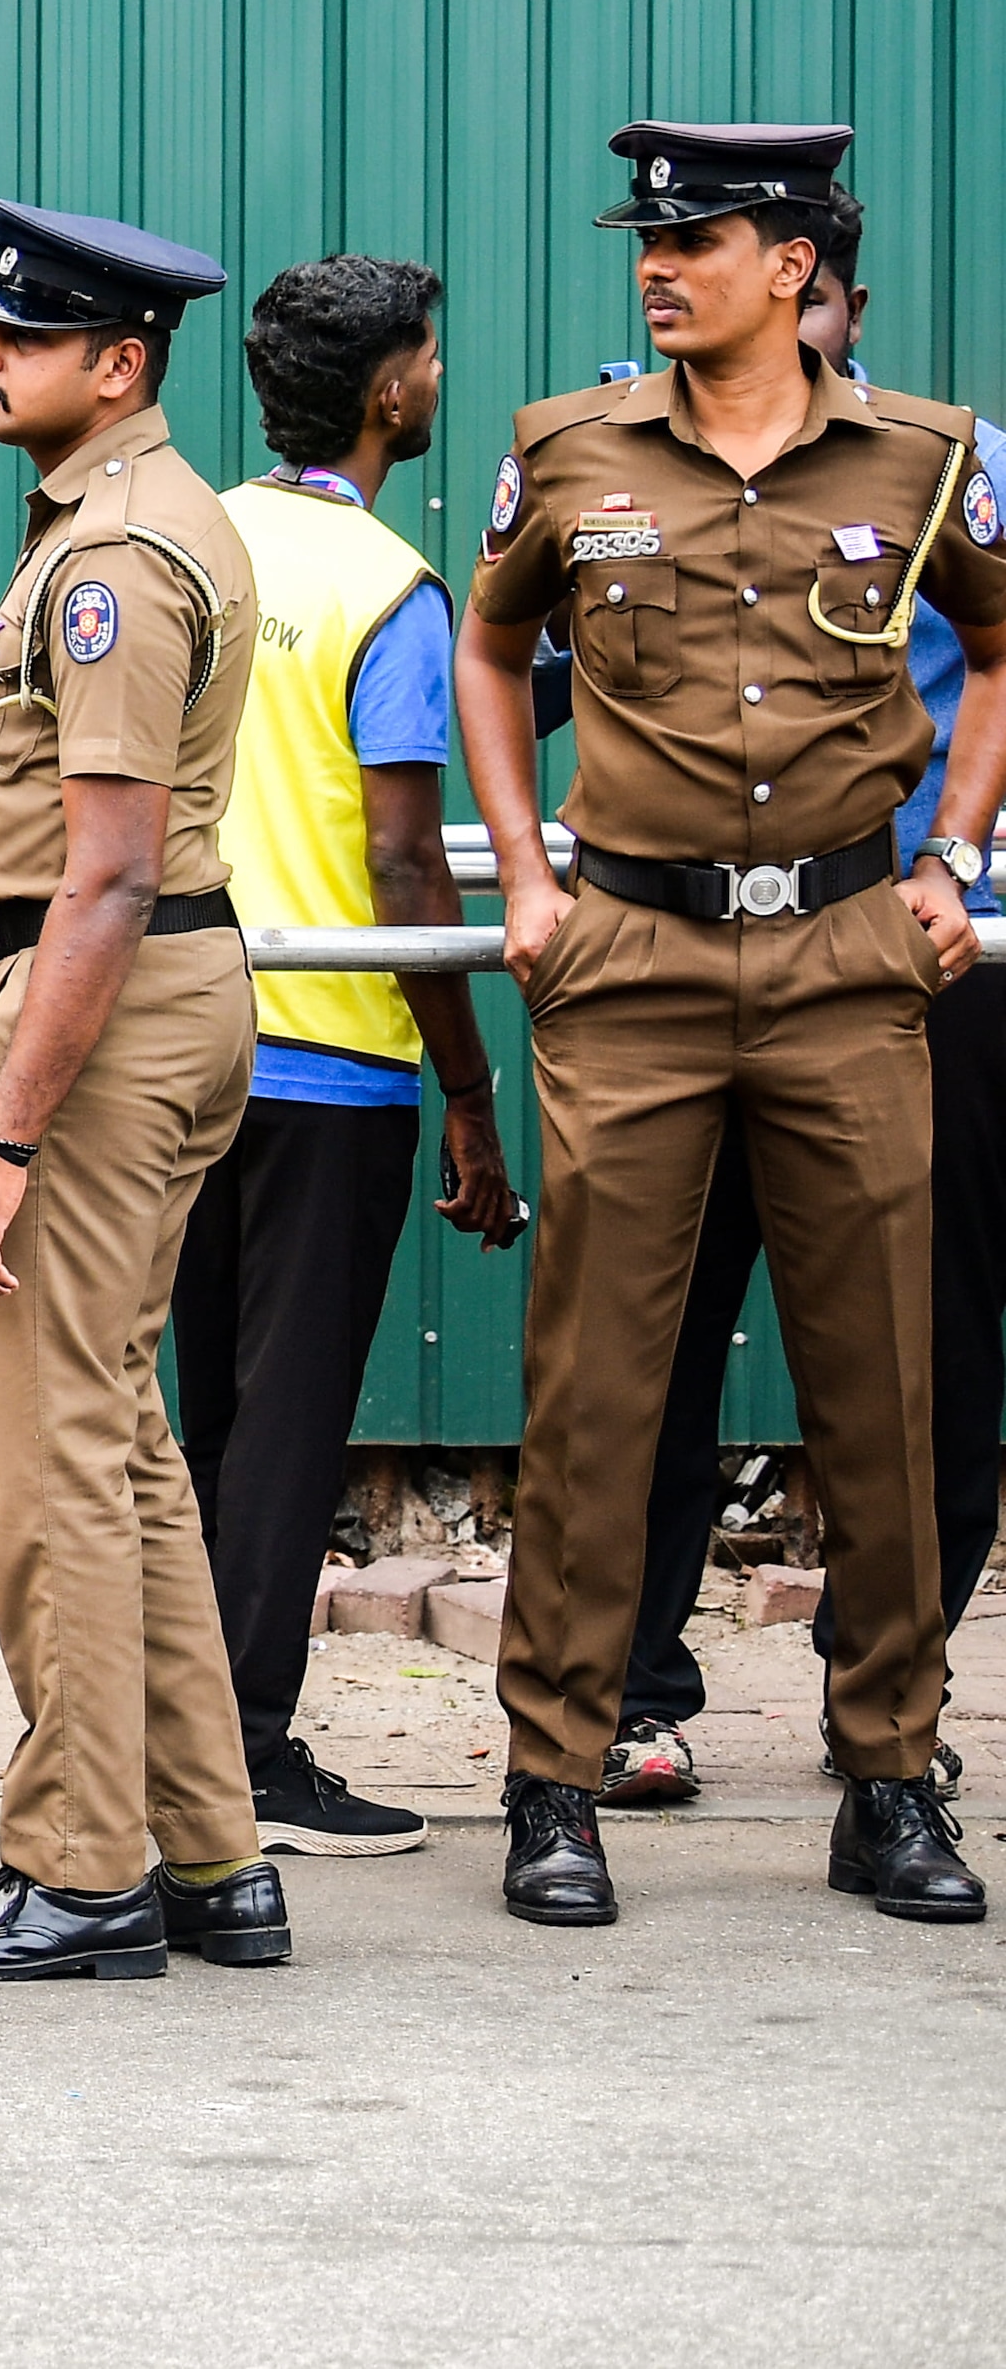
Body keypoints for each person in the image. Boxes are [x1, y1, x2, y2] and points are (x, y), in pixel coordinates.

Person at [461, 122, 1006, 1929]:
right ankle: (556, 1777)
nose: (656, 265)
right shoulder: (570, 448)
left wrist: (953, 857)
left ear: (793, 268)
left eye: (696, 240)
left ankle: (890, 1772)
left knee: (884, 1385)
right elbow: (491, 648)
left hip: (850, 953)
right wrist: (524, 874)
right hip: (634, 960)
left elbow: (1000, 644)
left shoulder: (925, 456)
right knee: (594, 1384)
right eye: (648, 239)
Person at [0, 203, 289, 1987]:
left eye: (25, 337)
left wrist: (1, 1145)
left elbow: (111, 871)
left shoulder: (112, 554)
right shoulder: (138, 516)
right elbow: (94, 821)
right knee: (121, 1441)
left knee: (53, 1461)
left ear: (118, 364)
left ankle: (78, 1868)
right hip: (149, 984)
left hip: (98, 1011)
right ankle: (207, 1854)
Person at [599, 238, 1006, 1810]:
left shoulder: (948, 465)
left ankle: (885, 1692)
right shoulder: (629, 460)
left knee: (923, 1351)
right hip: (693, 952)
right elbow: (547, 664)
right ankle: (633, 1690)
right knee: (655, 1334)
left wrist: (951, 857)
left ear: (831, 300)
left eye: (810, 306)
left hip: (914, 961)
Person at [166, 256, 527, 1864]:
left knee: (206, 1418)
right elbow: (403, 854)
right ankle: (240, 1754)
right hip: (331, 1059)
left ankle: (180, 1733)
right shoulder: (394, 585)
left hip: (178, 1035)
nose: (438, 376)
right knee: (291, 1423)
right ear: (390, 391)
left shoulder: (197, 541)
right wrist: (471, 1088)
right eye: (428, 357)